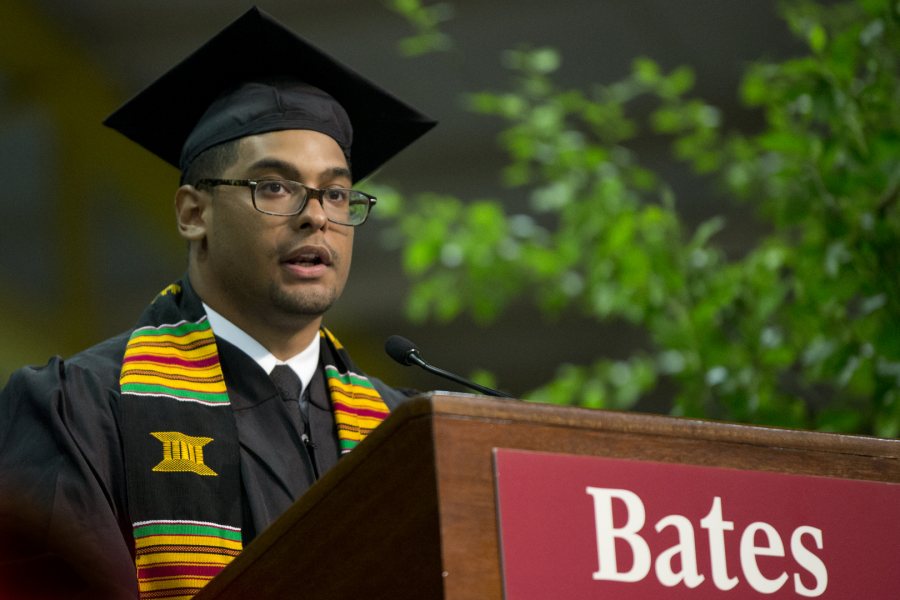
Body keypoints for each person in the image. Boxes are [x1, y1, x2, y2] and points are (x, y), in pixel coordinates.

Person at [0, 7, 435, 599]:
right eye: (274, 186)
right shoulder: (81, 409)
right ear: (192, 213)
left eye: (335, 193)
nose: (316, 215)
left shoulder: (402, 435)